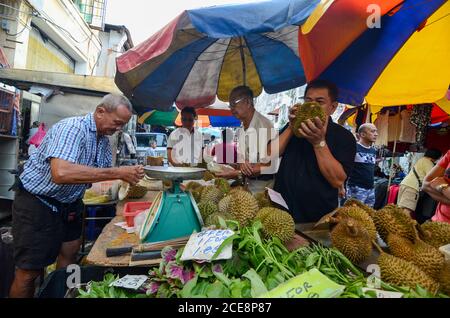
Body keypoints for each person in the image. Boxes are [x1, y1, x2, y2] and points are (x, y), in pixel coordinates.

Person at [9, 94, 145, 298]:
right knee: (29, 272)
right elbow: (61, 173)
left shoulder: (103, 141)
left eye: (122, 126)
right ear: (100, 112)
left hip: (70, 203)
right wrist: (118, 172)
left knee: (69, 258)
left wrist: (129, 178)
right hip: (37, 204)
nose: (118, 129)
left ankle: (56, 293)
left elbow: (99, 175)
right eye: (117, 123)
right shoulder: (72, 129)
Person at [271, 79, 356, 223]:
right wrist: (292, 127)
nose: (311, 106)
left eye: (319, 102)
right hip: (281, 211)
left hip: (316, 217)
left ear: (333, 107)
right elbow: (269, 155)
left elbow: (337, 180)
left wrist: (318, 142)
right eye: (308, 101)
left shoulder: (344, 138)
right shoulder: (294, 127)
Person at [216, 86, 275, 193]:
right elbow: (245, 161)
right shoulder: (242, 128)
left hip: (262, 188)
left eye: (234, 104)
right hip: (248, 184)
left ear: (247, 102)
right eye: (230, 106)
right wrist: (234, 166)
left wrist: (235, 173)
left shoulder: (264, 126)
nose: (231, 109)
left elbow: (270, 165)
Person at [397, 149, 442, 216]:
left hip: (405, 184)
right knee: (407, 210)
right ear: (436, 157)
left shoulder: (421, 160)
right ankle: (403, 226)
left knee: (400, 209)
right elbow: (432, 178)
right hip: (412, 187)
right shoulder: (428, 163)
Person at [345, 123, 378, 207]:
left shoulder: (373, 150)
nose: (376, 134)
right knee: (354, 216)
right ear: (362, 134)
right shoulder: (354, 148)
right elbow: (344, 167)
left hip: (370, 189)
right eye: (372, 131)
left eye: (376, 131)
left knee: (368, 215)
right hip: (356, 189)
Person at [423, 150, 450, 223]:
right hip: (437, 222)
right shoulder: (449, 154)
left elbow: (436, 182)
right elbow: (425, 185)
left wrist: (443, 187)